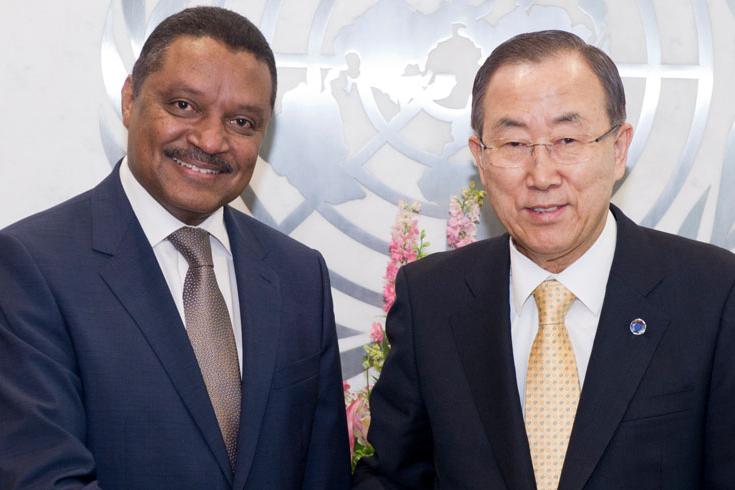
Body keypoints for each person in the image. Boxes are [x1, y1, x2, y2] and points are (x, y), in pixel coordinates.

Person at [352, 30, 735, 489]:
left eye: (567, 139)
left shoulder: (712, 294)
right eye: (514, 144)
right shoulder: (431, 298)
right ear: (480, 159)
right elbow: (393, 478)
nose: (541, 175)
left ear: (618, 149)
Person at [0, 7, 350, 489]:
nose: (210, 140)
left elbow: (323, 474)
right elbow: (42, 477)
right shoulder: (31, 267)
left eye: (242, 121)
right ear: (130, 100)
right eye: (184, 105)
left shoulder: (300, 275)